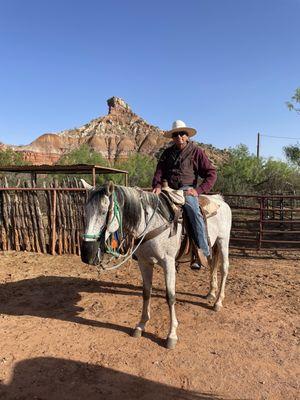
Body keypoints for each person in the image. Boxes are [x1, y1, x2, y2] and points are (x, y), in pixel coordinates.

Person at [152, 120, 217, 269]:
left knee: (194, 213)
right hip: (168, 189)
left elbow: (211, 173)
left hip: (187, 190)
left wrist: (198, 190)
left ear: (187, 136)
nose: (179, 137)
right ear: (173, 137)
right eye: (176, 134)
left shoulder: (197, 152)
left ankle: (201, 252)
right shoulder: (167, 153)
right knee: (151, 209)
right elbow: (159, 171)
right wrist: (157, 185)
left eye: (182, 134)